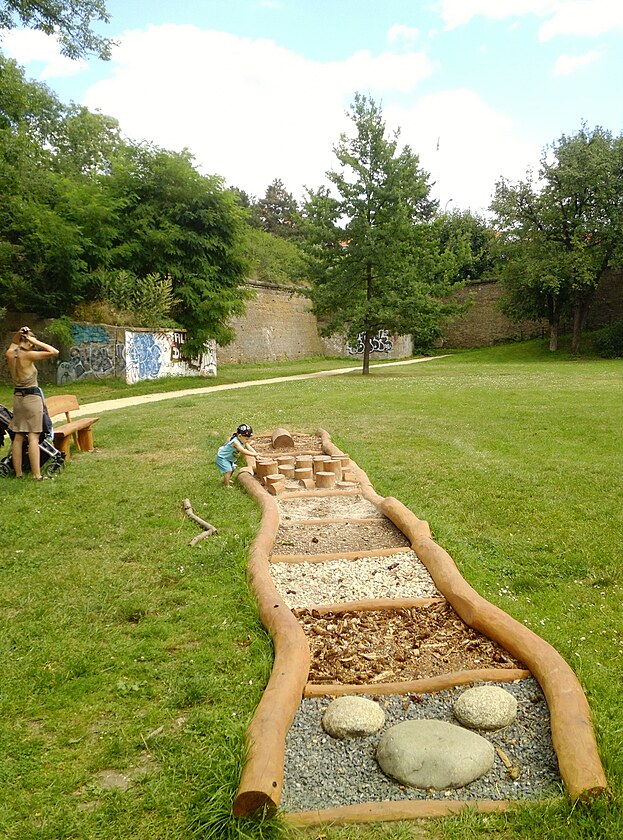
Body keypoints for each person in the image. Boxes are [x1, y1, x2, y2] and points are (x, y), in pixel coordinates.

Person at [5, 326, 59, 480]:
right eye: (31, 342)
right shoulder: (29, 356)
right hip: (31, 398)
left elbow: (14, 343)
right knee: (33, 436)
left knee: (19, 436)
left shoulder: (10, 354)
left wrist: (20, 333)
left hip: (18, 398)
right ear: (27, 341)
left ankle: (18, 473)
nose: (33, 345)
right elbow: (54, 352)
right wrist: (36, 341)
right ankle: (36, 475)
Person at [215, 423, 258, 487]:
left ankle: (227, 479)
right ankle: (227, 485)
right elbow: (242, 450)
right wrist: (253, 454)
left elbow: (249, 448)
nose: (248, 440)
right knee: (229, 470)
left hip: (229, 458)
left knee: (233, 469)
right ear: (239, 436)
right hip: (223, 458)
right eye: (246, 439)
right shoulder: (235, 442)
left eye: (249, 439)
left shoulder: (243, 441)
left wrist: (256, 455)